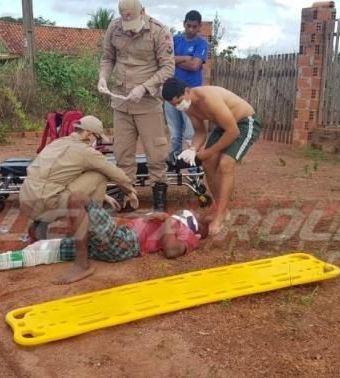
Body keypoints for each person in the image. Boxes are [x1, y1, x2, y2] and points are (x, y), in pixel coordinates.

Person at [98, 0, 175, 211]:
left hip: (148, 103)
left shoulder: (159, 32)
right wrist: (103, 78)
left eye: (133, 25)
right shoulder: (114, 28)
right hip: (121, 102)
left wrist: (144, 87)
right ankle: (127, 198)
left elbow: (168, 68)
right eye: (126, 25)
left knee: (156, 154)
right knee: (123, 154)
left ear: (142, 12)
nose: (130, 31)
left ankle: (159, 199)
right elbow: (107, 58)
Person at [161, 78, 262, 235]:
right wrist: (193, 149)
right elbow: (200, 131)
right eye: (174, 104)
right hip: (225, 125)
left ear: (187, 91)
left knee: (225, 164)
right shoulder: (187, 107)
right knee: (207, 163)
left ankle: (220, 216)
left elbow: (233, 132)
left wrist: (208, 152)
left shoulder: (209, 99)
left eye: (179, 101)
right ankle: (221, 209)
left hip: (244, 123)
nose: (178, 106)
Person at [19, 115, 138, 237]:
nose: (96, 142)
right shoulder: (86, 152)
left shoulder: (58, 142)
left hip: (26, 201)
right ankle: (94, 231)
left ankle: (41, 223)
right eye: (96, 137)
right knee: (99, 174)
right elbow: (115, 173)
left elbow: (67, 175)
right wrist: (129, 191)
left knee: (56, 184)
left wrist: (105, 196)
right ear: (88, 134)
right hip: (47, 204)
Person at [54, 191, 207, 284]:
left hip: (125, 243)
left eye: (197, 216)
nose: (192, 212)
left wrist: (168, 219)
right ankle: (31, 252)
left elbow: (171, 251)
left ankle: (82, 265)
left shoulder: (189, 234)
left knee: (77, 198)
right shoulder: (169, 222)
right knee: (52, 248)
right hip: (119, 237)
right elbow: (128, 224)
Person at [166, 10, 208, 166]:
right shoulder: (175, 39)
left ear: (199, 27)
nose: (190, 29)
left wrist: (176, 60)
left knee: (191, 134)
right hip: (172, 94)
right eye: (188, 26)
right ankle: (173, 164)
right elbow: (167, 60)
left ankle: (193, 168)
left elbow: (195, 65)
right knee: (175, 134)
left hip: (191, 95)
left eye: (194, 27)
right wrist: (185, 58)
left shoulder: (202, 43)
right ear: (184, 24)